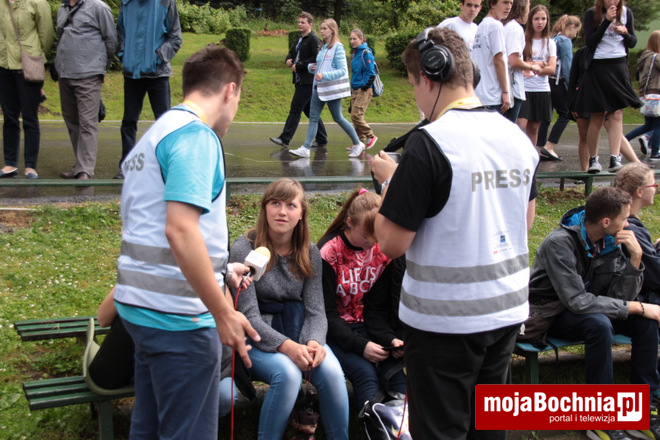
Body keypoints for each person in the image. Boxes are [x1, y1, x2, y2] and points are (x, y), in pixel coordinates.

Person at [372, 27, 538, 439]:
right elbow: (526, 220)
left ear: (428, 77)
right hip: (506, 313)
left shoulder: (429, 143)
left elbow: (391, 243)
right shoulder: (516, 137)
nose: (416, 98)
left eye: (414, 86)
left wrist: (390, 183)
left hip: (444, 323)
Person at [112, 45, 259, 439]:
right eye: (238, 100)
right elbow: (179, 229)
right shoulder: (196, 137)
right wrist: (223, 313)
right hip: (179, 318)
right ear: (230, 90)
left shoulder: (156, 133)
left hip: (139, 310)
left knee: (149, 424)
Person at [528, 186, 660, 440]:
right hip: (551, 313)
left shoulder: (610, 242)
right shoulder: (559, 243)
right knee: (599, 324)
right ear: (606, 221)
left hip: (592, 308)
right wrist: (637, 306)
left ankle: (645, 407)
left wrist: (635, 259)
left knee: (644, 323)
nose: (628, 225)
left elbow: (619, 298)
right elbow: (576, 301)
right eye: (625, 218)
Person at [230, 178, 349, 440]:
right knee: (287, 374)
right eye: (275, 203)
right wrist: (287, 347)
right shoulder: (245, 249)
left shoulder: (310, 252)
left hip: (298, 330)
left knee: (332, 373)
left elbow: (316, 309)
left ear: (301, 213)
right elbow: (248, 315)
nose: (282, 212)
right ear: (264, 208)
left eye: (291, 205)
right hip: (256, 337)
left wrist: (314, 341)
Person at [317, 188, 406, 409]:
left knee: (396, 375)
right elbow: (326, 314)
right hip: (335, 332)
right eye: (367, 236)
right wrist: (361, 346)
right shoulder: (328, 253)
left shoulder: (382, 251)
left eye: (377, 236)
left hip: (369, 327)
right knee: (365, 374)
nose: (372, 243)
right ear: (349, 223)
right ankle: (372, 421)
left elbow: (377, 308)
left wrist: (390, 340)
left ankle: (402, 424)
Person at [114, 0, 182, 180]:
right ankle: (126, 167)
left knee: (164, 123)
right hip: (132, 73)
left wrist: (158, 57)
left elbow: (176, 37)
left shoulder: (165, 2)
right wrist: (124, 55)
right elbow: (120, 32)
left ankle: (166, 167)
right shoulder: (126, 3)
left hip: (158, 74)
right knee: (128, 122)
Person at [575, 0, 639, 174]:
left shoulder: (626, 13)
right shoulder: (591, 14)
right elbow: (590, 42)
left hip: (618, 65)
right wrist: (606, 22)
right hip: (598, 66)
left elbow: (633, 42)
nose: (613, 2)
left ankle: (615, 157)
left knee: (616, 114)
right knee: (597, 115)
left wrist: (625, 33)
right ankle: (594, 160)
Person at [55, 0, 117, 181]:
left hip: (88, 74)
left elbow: (111, 40)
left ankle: (86, 170)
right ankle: (79, 166)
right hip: (65, 73)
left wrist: (100, 66)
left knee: (87, 123)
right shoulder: (62, 8)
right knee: (72, 122)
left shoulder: (99, 7)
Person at [289, 19, 365, 159]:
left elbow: (342, 70)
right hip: (318, 88)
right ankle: (306, 148)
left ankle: (358, 143)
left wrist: (324, 75)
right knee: (313, 118)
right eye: (321, 28)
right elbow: (320, 66)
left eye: (325, 28)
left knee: (338, 118)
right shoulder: (323, 47)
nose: (322, 31)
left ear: (332, 30)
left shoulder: (338, 48)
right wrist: (311, 68)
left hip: (330, 89)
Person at [0, 0, 53, 179]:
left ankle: (31, 166)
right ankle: (10, 163)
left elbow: (46, 36)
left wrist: (36, 55)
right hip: (4, 65)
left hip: (28, 66)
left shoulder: (37, 3)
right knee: (9, 117)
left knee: (30, 117)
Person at [269, 12, 328, 150]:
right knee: (309, 111)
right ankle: (322, 138)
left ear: (310, 24)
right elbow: (291, 53)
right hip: (299, 80)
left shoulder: (314, 40)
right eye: (299, 22)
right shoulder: (299, 39)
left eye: (303, 22)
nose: (300, 24)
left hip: (308, 81)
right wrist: (288, 60)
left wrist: (299, 65)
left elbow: (316, 59)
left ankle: (285, 138)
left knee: (295, 109)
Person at [536, 15, 581, 161]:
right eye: (577, 31)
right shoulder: (565, 41)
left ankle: (539, 147)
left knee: (546, 116)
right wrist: (571, 86)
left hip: (546, 81)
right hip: (558, 82)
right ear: (572, 27)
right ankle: (549, 146)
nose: (576, 35)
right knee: (565, 113)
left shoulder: (553, 38)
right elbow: (567, 66)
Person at [517, 5, 556, 147]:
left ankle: (531, 157)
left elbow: (551, 69)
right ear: (530, 20)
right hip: (524, 88)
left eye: (543, 19)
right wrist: (541, 64)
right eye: (536, 19)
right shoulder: (523, 39)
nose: (540, 22)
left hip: (541, 89)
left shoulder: (550, 43)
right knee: (520, 125)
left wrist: (533, 65)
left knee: (533, 128)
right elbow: (518, 62)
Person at [502, 0, 541, 122]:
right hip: (512, 87)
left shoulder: (504, 25)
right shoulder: (515, 28)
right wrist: (532, 67)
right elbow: (513, 60)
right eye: (529, 6)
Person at [471, 0, 513, 113]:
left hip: (478, 93)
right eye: (505, 2)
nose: (508, 7)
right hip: (492, 95)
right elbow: (498, 59)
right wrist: (505, 91)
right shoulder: (496, 26)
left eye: (511, 3)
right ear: (493, 4)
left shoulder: (481, 26)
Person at [625, 31, 660, 159]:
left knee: (649, 125)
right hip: (656, 94)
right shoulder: (656, 57)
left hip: (646, 95)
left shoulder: (645, 57)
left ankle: (624, 140)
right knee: (658, 125)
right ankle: (655, 152)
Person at [349, 29, 378, 151]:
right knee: (354, 115)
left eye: (355, 39)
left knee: (356, 115)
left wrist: (365, 87)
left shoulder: (366, 53)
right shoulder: (355, 53)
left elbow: (371, 72)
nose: (352, 41)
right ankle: (359, 143)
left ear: (361, 39)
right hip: (355, 88)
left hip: (363, 89)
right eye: (350, 39)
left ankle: (371, 136)